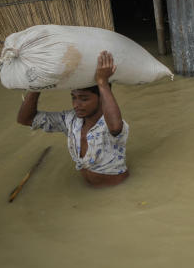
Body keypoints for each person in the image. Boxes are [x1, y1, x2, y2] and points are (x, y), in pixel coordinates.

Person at [16, 50, 130, 187]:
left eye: (84, 99)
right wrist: (36, 87)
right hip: (90, 189)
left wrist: (102, 83)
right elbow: (26, 119)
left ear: (102, 98)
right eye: (74, 97)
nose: (76, 105)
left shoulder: (111, 123)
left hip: (116, 190)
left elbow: (116, 127)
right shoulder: (70, 120)